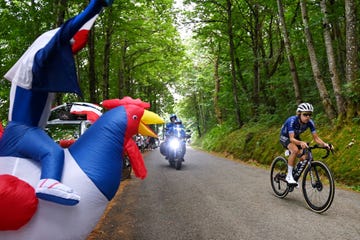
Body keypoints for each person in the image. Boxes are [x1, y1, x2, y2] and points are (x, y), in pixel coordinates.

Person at [0, 0, 113, 205]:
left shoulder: (32, 75)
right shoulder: (39, 63)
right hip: (25, 131)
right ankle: (49, 182)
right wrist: (93, 8)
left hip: (13, 133)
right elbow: (63, 34)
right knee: (52, 153)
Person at [279, 103, 331, 186]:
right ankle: (289, 176)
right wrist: (300, 143)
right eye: (305, 114)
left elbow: (316, 138)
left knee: (305, 157)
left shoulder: (310, 122)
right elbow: (291, 139)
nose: (308, 117)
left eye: (310, 115)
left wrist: (325, 144)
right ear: (299, 114)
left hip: (295, 137)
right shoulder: (292, 120)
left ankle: (294, 173)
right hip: (285, 137)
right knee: (295, 150)